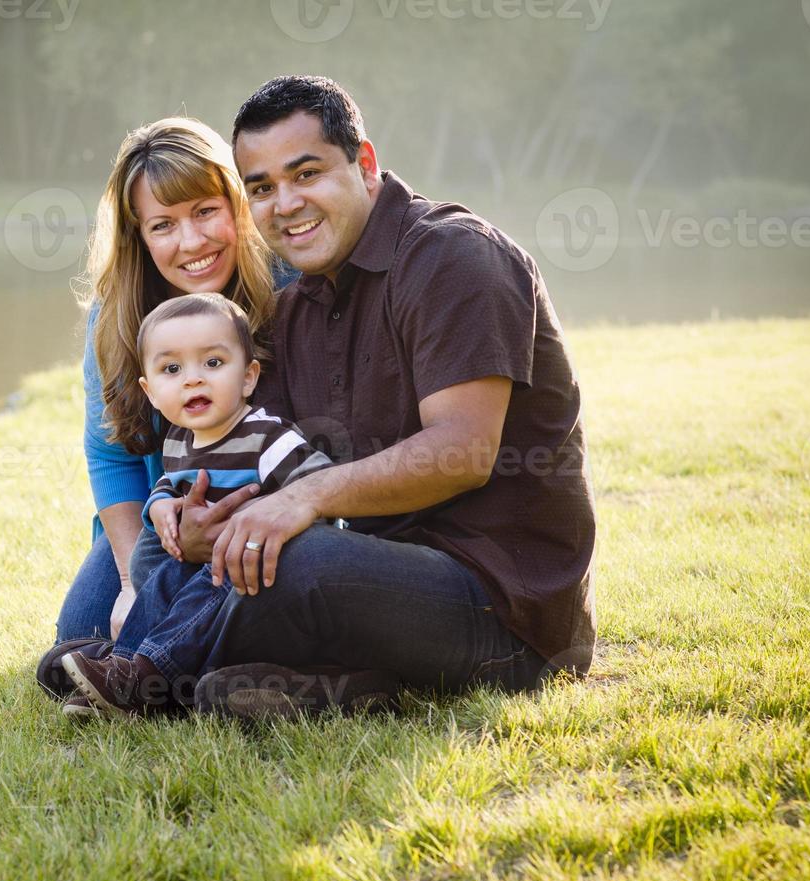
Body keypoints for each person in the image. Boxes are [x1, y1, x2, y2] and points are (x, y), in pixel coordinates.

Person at [139, 75, 598, 719]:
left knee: (303, 561)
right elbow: (254, 450)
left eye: (307, 173)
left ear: (365, 164)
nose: (286, 203)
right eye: (263, 188)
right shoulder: (295, 309)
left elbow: (463, 451)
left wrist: (303, 498)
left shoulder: (453, 257)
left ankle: (149, 677)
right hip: (379, 572)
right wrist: (198, 526)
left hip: (501, 606)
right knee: (223, 548)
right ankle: (343, 685)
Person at [38, 117, 297, 704]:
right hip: (161, 520)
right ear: (139, 235)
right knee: (80, 634)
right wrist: (133, 579)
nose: (191, 243)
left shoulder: (286, 287)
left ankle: (173, 669)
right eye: (163, 225)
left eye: (205, 211)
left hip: (261, 509)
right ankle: (154, 665)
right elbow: (110, 456)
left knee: (210, 617)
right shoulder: (115, 318)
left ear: (235, 204)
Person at [59, 293, 334, 718]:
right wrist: (160, 507)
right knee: (163, 576)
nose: (193, 380)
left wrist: (279, 520)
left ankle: (146, 676)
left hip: (252, 572)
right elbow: (170, 482)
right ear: (150, 392)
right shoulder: (180, 440)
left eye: (213, 363)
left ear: (248, 377)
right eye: (173, 369)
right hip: (197, 559)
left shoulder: (265, 438)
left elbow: (320, 487)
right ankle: (122, 671)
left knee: (211, 579)